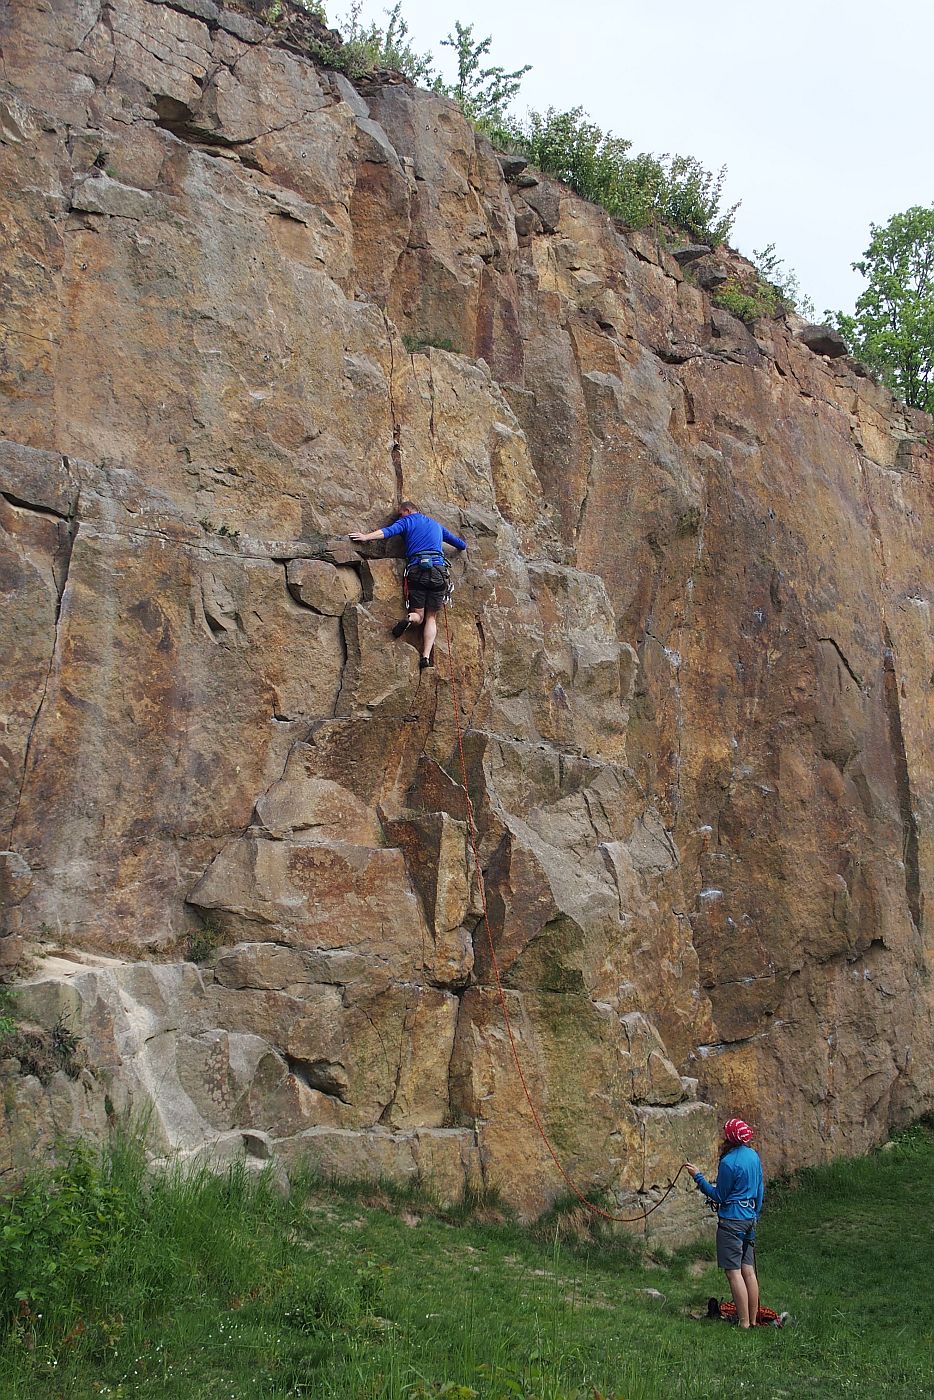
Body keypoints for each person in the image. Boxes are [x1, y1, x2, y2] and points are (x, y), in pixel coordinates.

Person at [349, 501, 467, 669]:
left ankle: (410, 618)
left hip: (417, 570)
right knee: (431, 617)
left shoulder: (407, 521)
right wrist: (463, 544)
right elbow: (461, 545)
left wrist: (366, 537)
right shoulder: (436, 525)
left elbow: (387, 532)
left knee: (418, 616)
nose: (399, 517)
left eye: (400, 514)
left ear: (407, 510)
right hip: (438, 572)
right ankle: (425, 656)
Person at [685, 1118, 764, 1329]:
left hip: (732, 1222)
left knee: (733, 1272)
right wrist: (754, 1213)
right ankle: (754, 1319)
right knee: (748, 1270)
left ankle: (744, 1323)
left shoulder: (729, 1163)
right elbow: (760, 1189)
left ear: (728, 1138)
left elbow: (719, 1196)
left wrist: (698, 1177)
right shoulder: (753, 1156)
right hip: (749, 1219)